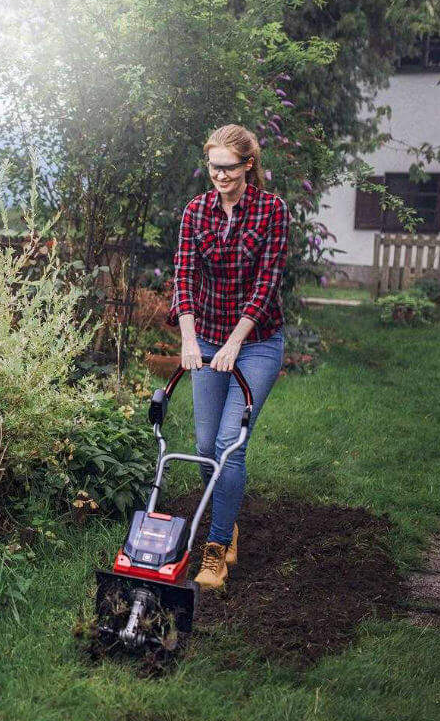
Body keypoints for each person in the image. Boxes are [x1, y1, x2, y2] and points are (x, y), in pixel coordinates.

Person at [166, 124, 289, 591]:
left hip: (257, 343)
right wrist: (189, 338)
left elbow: (267, 282)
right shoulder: (196, 211)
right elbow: (183, 276)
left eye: (229, 168)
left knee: (227, 446)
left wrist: (238, 340)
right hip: (209, 339)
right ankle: (228, 516)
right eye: (213, 167)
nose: (219, 175)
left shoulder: (272, 210)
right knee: (202, 445)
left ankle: (216, 549)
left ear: (248, 166)